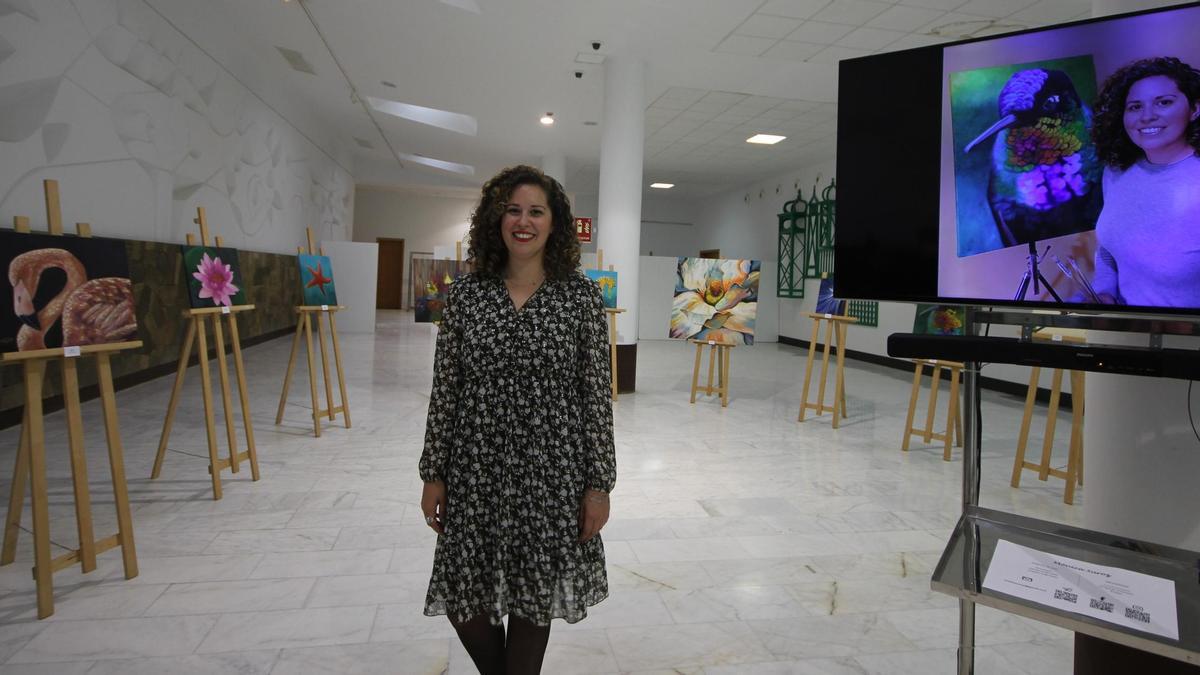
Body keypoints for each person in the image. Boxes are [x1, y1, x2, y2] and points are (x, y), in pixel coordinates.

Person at [418, 165, 616, 674]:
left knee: (533, 598)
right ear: (495, 219)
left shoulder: (580, 299)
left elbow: (596, 397)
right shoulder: (466, 297)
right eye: (512, 210)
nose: (523, 221)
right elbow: (446, 390)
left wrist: (599, 485)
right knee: (467, 604)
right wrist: (433, 473)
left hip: (551, 474)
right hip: (475, 469)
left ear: (555, 223)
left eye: (536, 211)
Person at [1091, 56, 1200, 306]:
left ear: (1194, 109)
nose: (1147, 116)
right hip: (1129, 335)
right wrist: (1104, 292)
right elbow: (1108, 247)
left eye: (1163, 102)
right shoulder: (1117, 172)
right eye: (1135, 107)